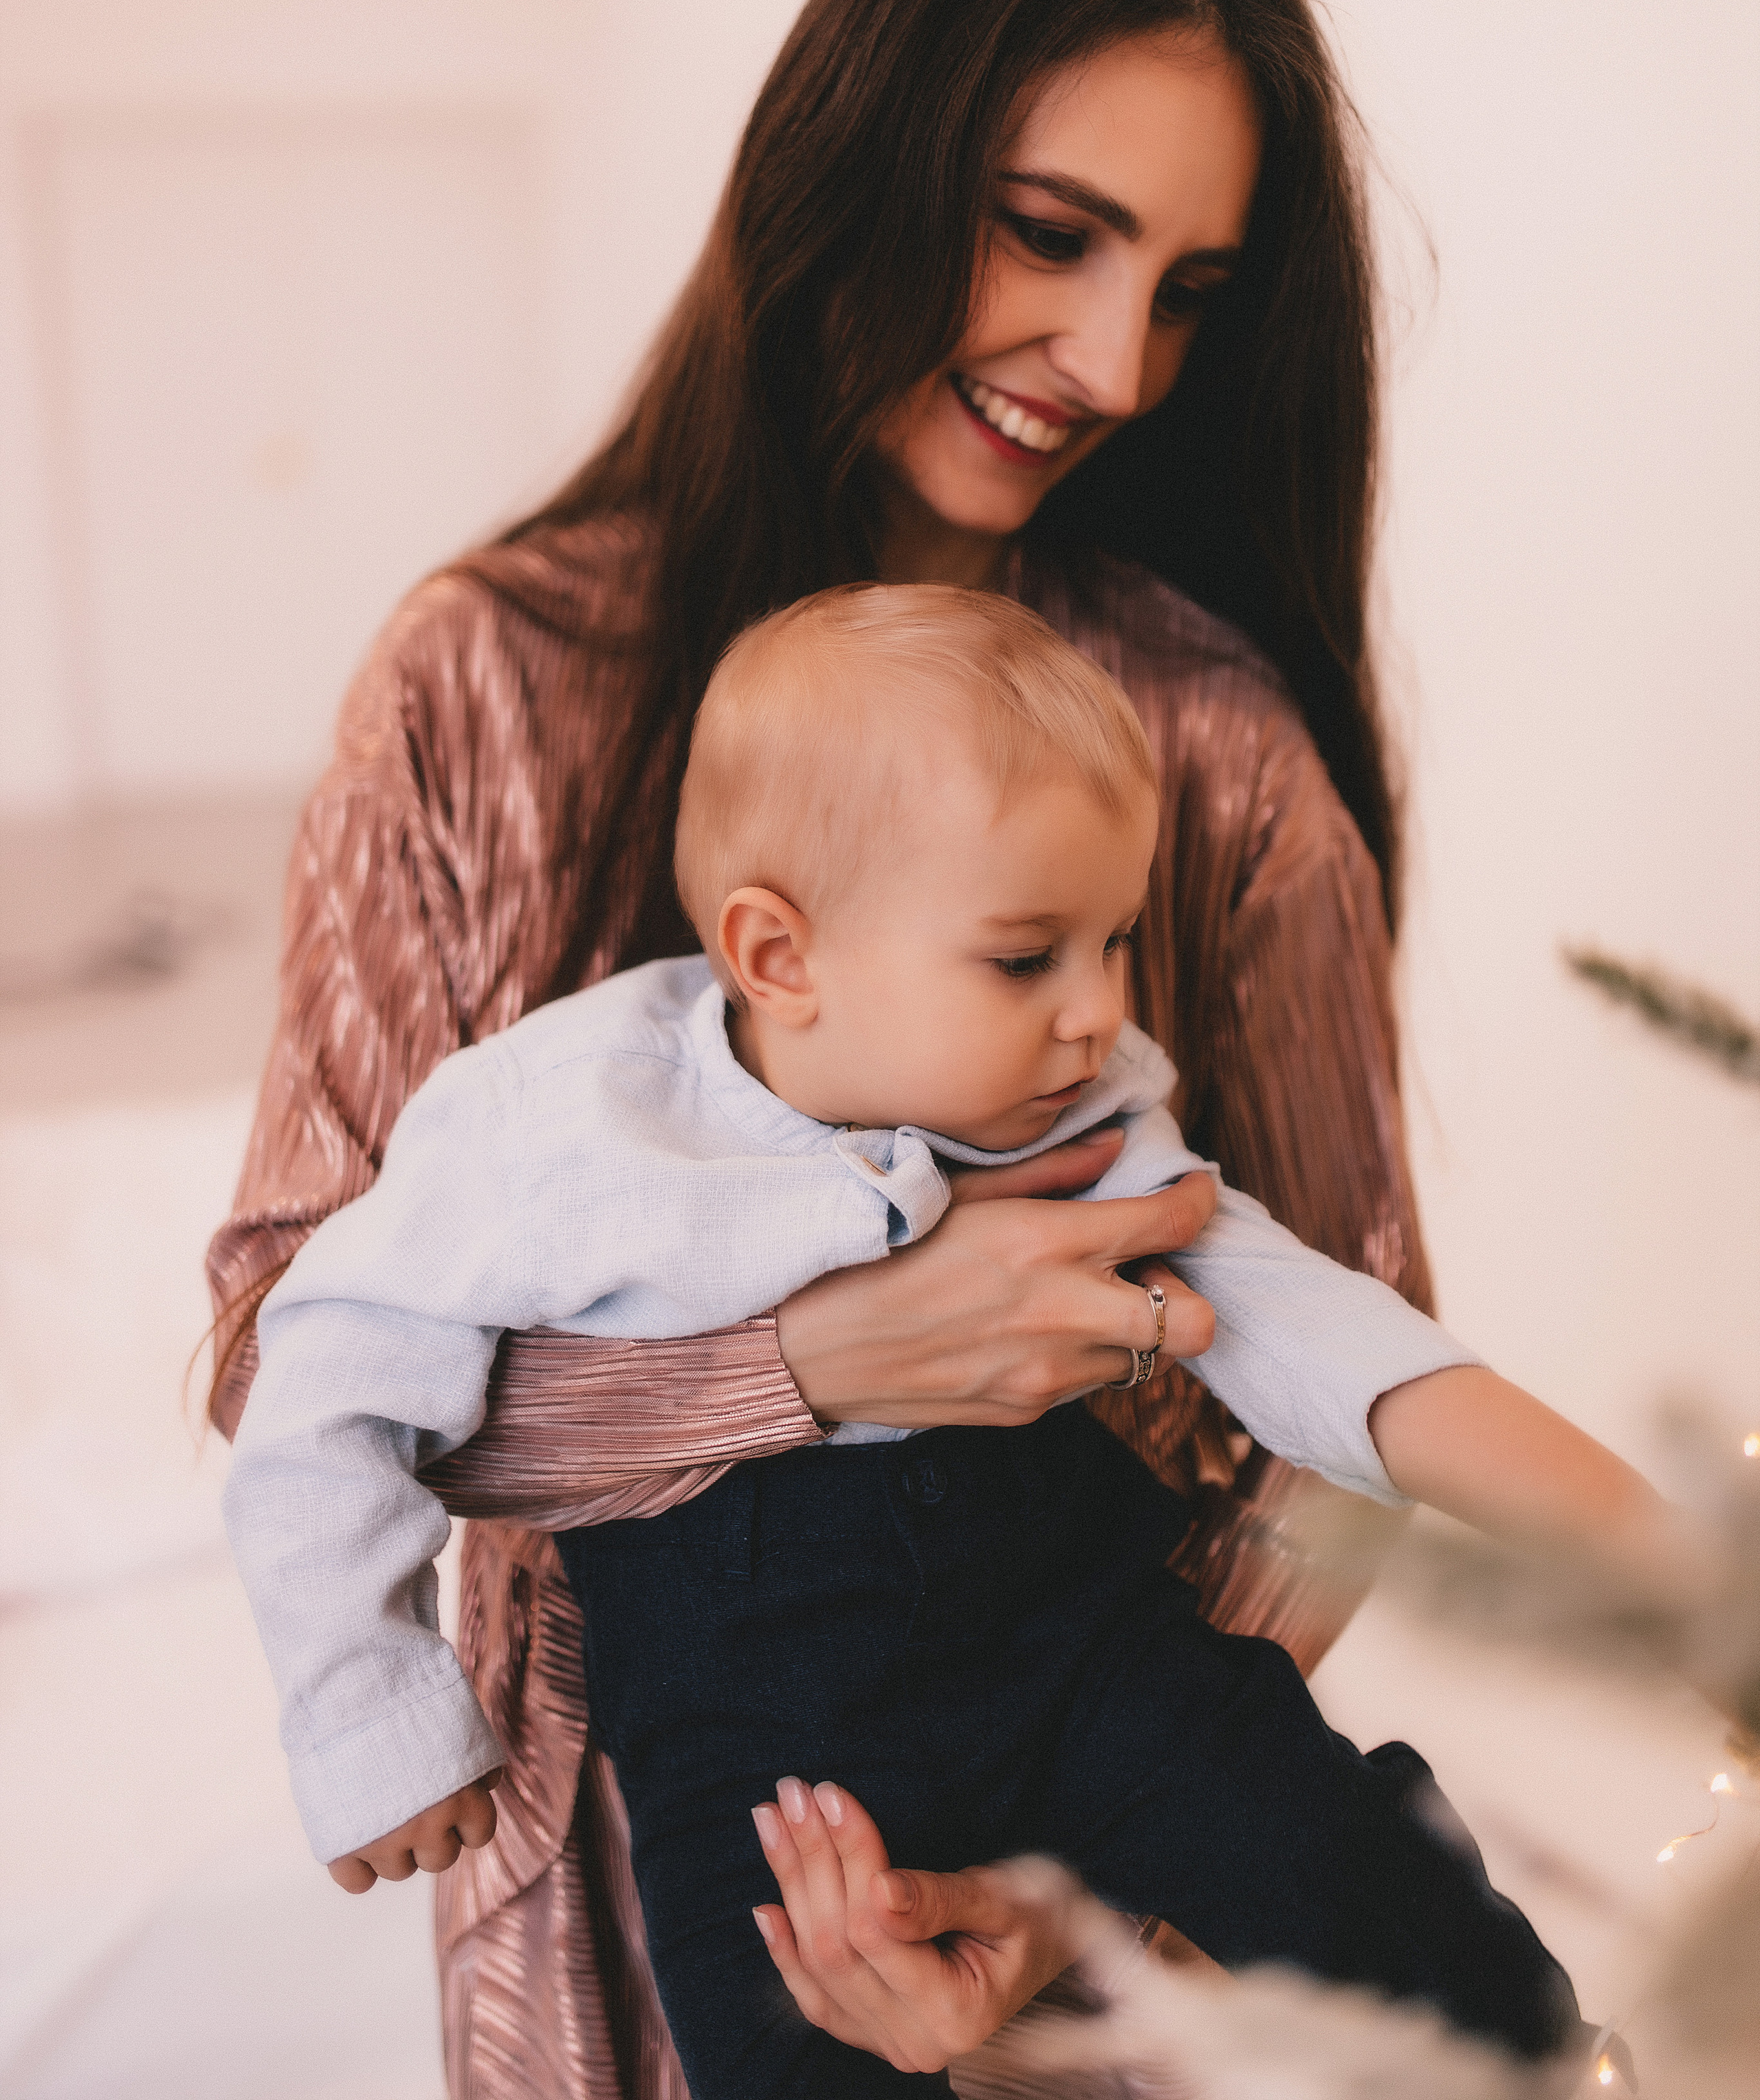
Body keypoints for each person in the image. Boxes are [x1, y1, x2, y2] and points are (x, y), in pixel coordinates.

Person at [207, 0, 1466, 2098]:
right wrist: (815, 1360)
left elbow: (1351, 1403)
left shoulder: (1211, 742)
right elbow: (285, 1338)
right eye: (1052, 233)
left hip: (1081, 1939)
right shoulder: (484, 690)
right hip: (616, 1893)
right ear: (855, 163)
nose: (1110, 360)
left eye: (1186, 290)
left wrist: (1080, 1898)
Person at [223, 585, 1658, 2090]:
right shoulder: (565, 1125)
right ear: (778, 958)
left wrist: (1659, 1558)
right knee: (775, 2038)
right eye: (1026, 957)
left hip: (1082, 1658)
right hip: (763, 1770)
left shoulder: (1081, 1124)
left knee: (1338, 1840)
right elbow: (325, 1373)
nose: (1097, 1011)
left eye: (1113, 939)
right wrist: (371, 1713)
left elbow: (1332, 1341)